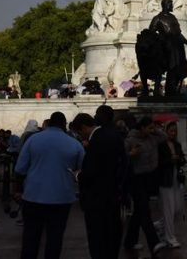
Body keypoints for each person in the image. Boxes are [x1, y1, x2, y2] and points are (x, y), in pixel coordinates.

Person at [14, 111, 85, 259]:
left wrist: (18, 189)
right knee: (55, 238)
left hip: (34, 195)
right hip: (62, 197)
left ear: (50, 123)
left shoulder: (33, 140)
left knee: (30, 238)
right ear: (64, 125)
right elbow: (82, 170)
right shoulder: (74, 143)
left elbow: (20, 168)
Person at [73, 106, 127, 259]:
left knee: (97, 237)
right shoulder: (114, 135)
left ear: (84, 127)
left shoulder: (96, 140)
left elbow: (91, 171)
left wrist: (77, 176)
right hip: (112, 194)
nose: (81, 136)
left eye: (80, 132)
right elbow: (123, 163)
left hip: (96, 198)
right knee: (111, 235)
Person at [124, 117, 168, 255]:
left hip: (149, 178)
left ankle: (129, 241)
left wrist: (156, 129)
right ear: (141, 127)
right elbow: (122, 157)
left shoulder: (153, 138)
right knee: (144, 210)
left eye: (152, 128)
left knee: (139, 210)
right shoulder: (130, 140)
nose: (151, 130)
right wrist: (131, 154)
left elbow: (164, 137)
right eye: (148, 128)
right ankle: (153, 242)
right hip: (136, 179)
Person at [157, 120, 187, 248]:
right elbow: (159, 162)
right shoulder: (161, 146)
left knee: (177, 208)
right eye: (171, 131)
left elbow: (183, 159)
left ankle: (159, 226)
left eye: (175, 131)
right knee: (169, 209)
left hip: (176, 178)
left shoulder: (177, 144)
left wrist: (178, 159)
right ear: (166, 131)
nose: (173, 133)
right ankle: (170, 237)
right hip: (165, 179)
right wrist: (171, 160)